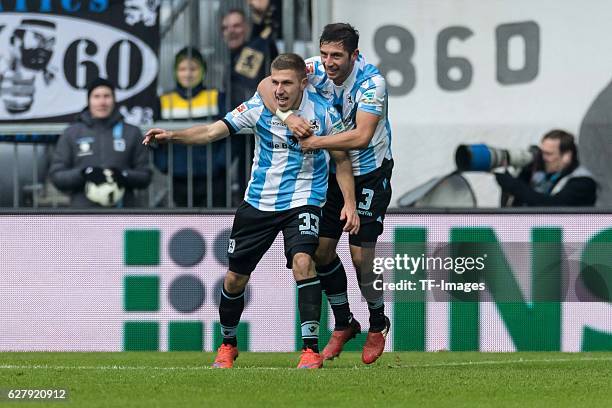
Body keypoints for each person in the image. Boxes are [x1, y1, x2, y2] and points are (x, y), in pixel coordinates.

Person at [143, 54, 359, 369]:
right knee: (234, 280)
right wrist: (172, 136)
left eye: (287, 83)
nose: (280, 89)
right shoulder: (258, 108)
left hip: (304, 199)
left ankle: (310, 350)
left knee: (303, 262)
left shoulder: (324, 112)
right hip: (258, 202)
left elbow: (341, 159)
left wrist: (350, 204)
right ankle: (228, 344)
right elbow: (209, 132)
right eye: (275, 82)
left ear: (302, 83)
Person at [258, 23, 394, 364]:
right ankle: (345, 321)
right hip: (331, 172)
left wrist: (315, 141)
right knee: (320, 251)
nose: (328, 62)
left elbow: (361, 136)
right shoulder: (312, 69)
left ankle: (377, 323)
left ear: (354, 55)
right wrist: (288, 117)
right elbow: (264, 85)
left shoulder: (371, 84)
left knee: (362, 258)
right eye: (324, 53)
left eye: (336, 55)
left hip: (369, 173)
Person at [49, 77, 151, 207]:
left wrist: (123, 175)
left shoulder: (132, 133)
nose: (102, 102)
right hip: (82, 214)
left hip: (123, 213)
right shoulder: (71, 133)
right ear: (89, 100)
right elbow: (57, 176)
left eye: (107, 96)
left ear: (114, 100)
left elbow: (145, 176)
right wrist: (84, 174)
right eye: (96, 96)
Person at [221, 3, 279, 204]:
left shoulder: (256, 50)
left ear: (245, 27)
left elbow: (264, 39)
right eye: (226, 28)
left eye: (236, 26)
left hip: (256, 130)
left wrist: (261, 15)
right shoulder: (232, 56)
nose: (231, 31)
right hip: (240, 132)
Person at [155, 46, 227, 207]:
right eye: (182, 69)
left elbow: (233, 132)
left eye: (193, 68)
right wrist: (165, 165)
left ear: (203, 70)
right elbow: (154, 138)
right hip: (179, 177)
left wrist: (220, 164)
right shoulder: (164, 100)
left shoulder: (217, 97)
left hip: (214, 178)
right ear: (175, 72)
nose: (187, 74)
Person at [495, 130, 597, 206]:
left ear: (567, 156)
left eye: (548, 154)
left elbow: (552, 206)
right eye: (541, 152)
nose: (543, 158)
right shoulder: (541, 173)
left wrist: (514, 185)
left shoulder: (583, 182)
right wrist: (523, 173)